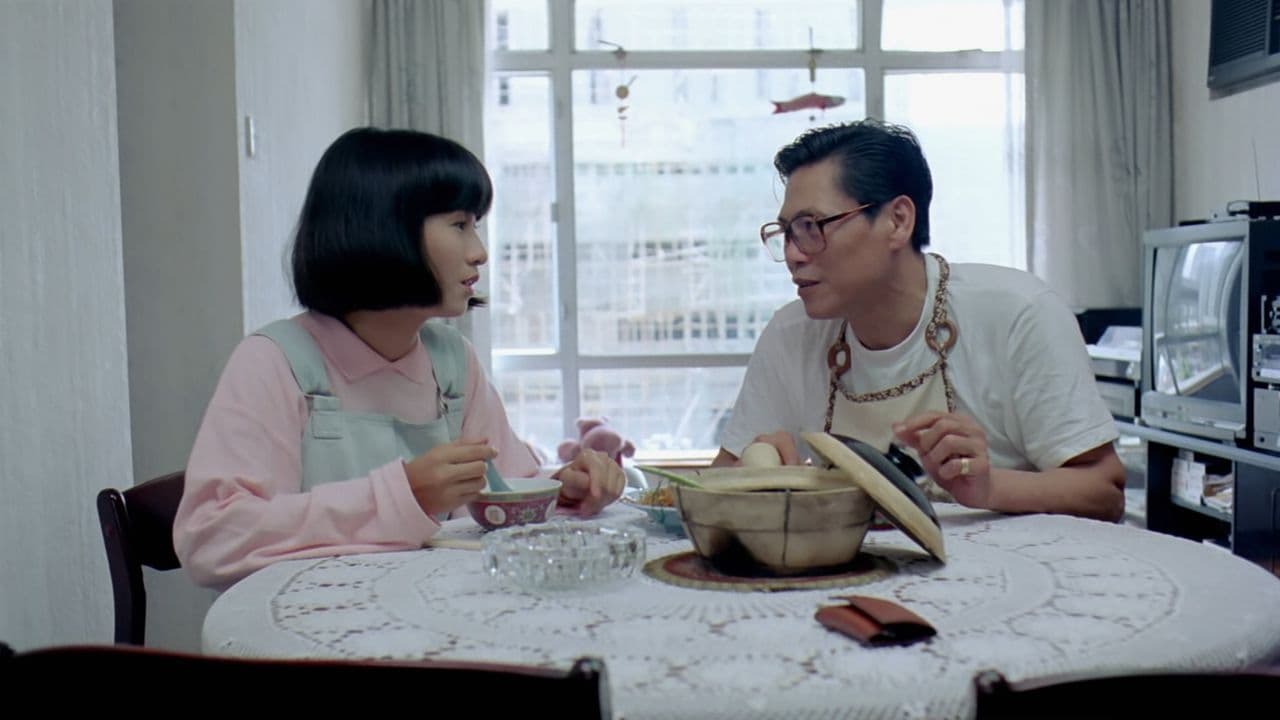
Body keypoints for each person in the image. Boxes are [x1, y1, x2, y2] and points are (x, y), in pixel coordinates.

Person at [174, 127, 625, 589]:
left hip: (433, 614)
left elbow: (505, 490)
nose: (480, 252)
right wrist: (404, 495)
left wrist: (564, 490)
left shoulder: (453, 362)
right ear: (383, 229)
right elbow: (212, 538)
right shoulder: (275, 362)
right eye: (460, 225)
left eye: (476, 226)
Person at [714, 119, 1125, 522]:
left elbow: (1104, 491)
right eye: (786, 232)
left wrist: (987, 488)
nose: (792, 254)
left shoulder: (1019, 312)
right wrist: (755, 481)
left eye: (811, 227)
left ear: (898, 221)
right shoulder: (791, 334)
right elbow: (717, 485)